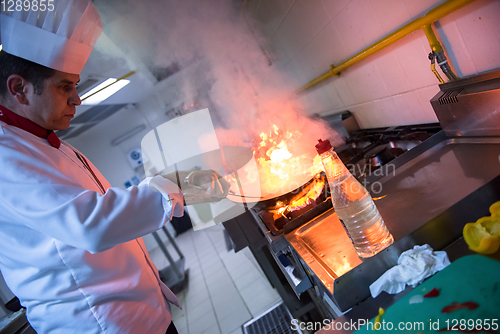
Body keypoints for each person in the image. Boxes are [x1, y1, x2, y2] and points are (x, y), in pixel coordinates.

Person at [0, 2, 228, 333]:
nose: (77, 99)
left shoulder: (52, 145)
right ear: (19, 88)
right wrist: (175, 186)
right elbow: (91, 223)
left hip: (140, 314)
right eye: (66, 87)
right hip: (101, 325)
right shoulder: (6, 155)